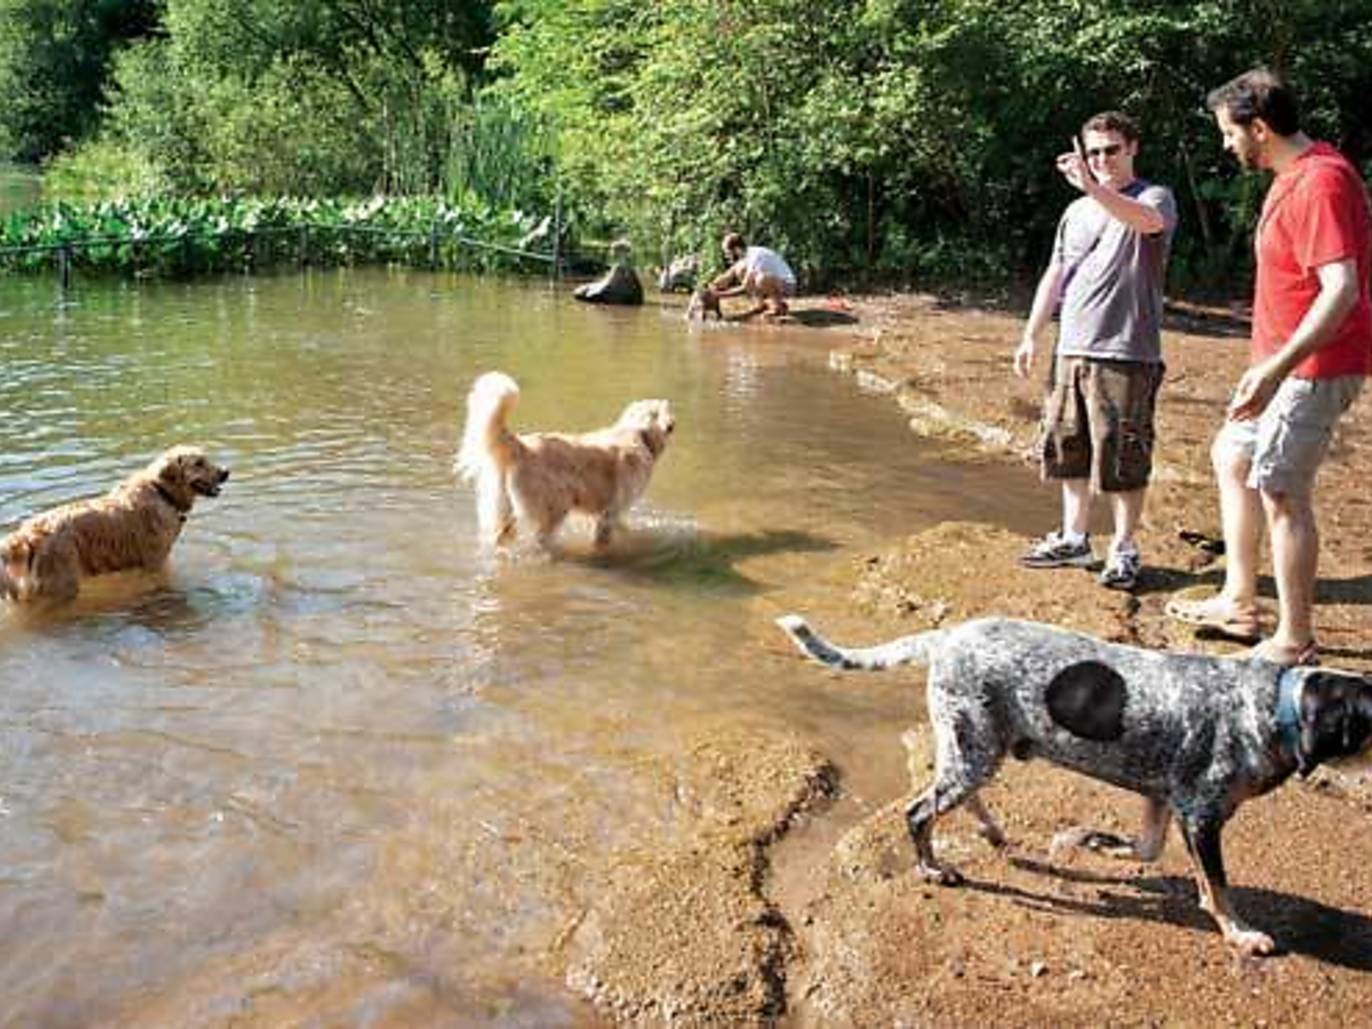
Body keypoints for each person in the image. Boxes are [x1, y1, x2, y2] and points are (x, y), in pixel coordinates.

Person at [1165, 69, 1371, 665]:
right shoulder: (1295, 173)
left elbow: (1342, 291)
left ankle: (1294, 638)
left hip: (1313, 369)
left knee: (1282, 491)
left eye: (1230, 133)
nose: (1226, 144)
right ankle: (1237, 598)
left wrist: (1277, 368)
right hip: (1282, 366)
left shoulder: (1320, 184)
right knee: (1233, 455)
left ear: (1259, 128)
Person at [1014, 111, 1178, 590]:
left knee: (1123, 454)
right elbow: (1056, 274)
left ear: (1132, 149)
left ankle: (1124, 547)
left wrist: (1093, 188)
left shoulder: (1153, 197)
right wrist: (1031, 334)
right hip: (1072, 346)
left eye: (1111, 150)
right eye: (1094, 152)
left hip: (1127, 350)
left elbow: (1146, 223)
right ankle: (1074, 536)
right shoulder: (1076, 212)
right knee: (1069, 447)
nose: (1102, 159)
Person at [707, 232, 796, 319]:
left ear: (737, 249)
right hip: (777, 282)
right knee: (740, 270)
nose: (727, 256)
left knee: (761, 279)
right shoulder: (746, 256)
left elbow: (745, 287)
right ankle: (760, 305)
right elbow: (729, 274)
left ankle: (778, 307)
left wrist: (720, 295)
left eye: (728, 253)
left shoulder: (755, 256)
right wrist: (714, 284)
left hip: (788, 285)